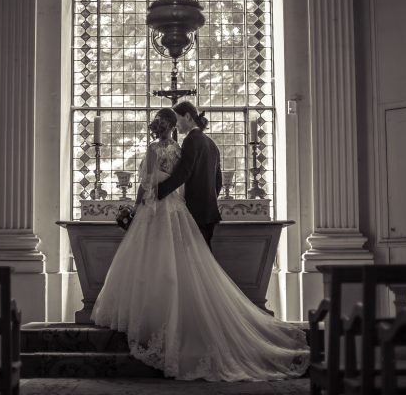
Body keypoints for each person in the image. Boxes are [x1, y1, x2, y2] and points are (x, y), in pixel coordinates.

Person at [91, 106, 309, 382]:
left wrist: (155, 197)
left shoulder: (186, 142)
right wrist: (197, 202)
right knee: (193, 272)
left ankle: (180, 324)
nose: (179, 127)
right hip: (193, 212)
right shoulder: (206, 144)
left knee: (172, 268)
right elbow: (215, 180)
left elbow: (167, 179)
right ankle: (195, 322)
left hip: (168, 208)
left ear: (183, 119)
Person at [156, 101, 222, 248]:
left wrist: (159, 191)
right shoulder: (211, 143)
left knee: (197, 259)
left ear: (187, 116)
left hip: (195, 212)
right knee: (204, 258)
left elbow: (184, 173)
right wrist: (208, 201)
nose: (175, 124)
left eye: (176, 119)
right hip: (209, 212)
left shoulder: (191, 140)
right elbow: (219, 182)